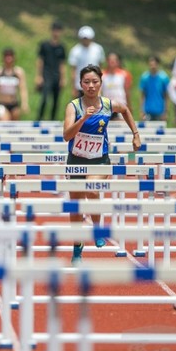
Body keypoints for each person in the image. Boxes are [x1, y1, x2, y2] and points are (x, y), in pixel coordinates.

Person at [63, 64, 141, 264]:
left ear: (101, 83)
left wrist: (135, 134)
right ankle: (77, 250)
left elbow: (125, 109)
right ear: (80, 84)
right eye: (86, 82)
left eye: (95, 82)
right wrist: (84, 118)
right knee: (76, 208)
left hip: (100, 159)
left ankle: (98, 228)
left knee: (92, 189)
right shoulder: (74, 106)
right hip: (76, 160)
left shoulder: (108, 104)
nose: (91, 86)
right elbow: (66, 136)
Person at [36, 21, 66, 121]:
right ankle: (39, 118)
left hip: (56, 75)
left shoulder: (61, 47)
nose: (56, 33)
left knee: (56, 100)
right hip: (46, 74)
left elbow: (62, 64)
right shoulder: (45, 45)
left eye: (58, 31)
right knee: (44, 98)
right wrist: (39, 76)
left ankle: (53, 119)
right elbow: (40, 61)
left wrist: (62, 78)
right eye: (54, 30)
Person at [0, 47, 29, 121]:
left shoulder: (18, 72)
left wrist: (24, 103)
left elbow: (23, 89)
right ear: (3, 58)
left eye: (10, 56)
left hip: (14, 104)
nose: (8, 58)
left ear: (14, 58)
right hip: (2, 103)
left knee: (14, 128)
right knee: (4, 122)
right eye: (6, 56)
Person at [67, 26, 105, 99]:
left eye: (87, 38)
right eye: (84, 38)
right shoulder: (75, 50)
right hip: (80, 86)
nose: (86, 40)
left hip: (94, 85)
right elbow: (73, 70)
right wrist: (73, 87)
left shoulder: (98, 49)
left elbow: (100, 68)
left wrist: (100, 84)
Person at [101, 52, 133, 120]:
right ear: (107, 61)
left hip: (121, 106)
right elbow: (99, 92)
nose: (112, 62)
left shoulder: (124, 74)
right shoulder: (102, 75)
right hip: (107, 107)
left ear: (118, 62)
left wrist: (129, 107)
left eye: (114, 60)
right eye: (110, 60)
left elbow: (127, 91)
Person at [139, 55, 170, 122]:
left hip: (160, 111)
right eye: (151, 64)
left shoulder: (163, 77)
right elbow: (143, 95)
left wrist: (166, 112)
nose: (152, 66)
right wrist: (141, 110)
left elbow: (166, 96)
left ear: (158, 64)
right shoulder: (145, 77)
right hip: (147, 110)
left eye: (154, 64)